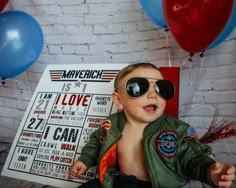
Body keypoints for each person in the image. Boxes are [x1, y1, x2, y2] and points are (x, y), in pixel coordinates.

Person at [69, 63, 235, 188]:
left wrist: (209, 171)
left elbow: (193, 158)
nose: (152, 95)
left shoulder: (176, 130)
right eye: (138, 88)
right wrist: (84, 161)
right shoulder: (112, 123)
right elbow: (96, 143)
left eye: (161, 88)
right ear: (119, 100)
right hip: (118, 181)